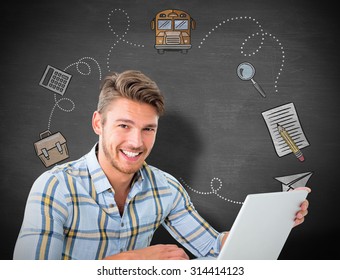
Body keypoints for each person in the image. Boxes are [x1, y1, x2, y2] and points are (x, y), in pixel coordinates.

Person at [13, 70, 310, 260]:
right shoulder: (55, 187)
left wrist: (269, 225)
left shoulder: (165, 188)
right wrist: (134, 262)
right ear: (97, 124)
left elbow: (212, 249)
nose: (136, 142)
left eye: (148, 129)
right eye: (124, 126)